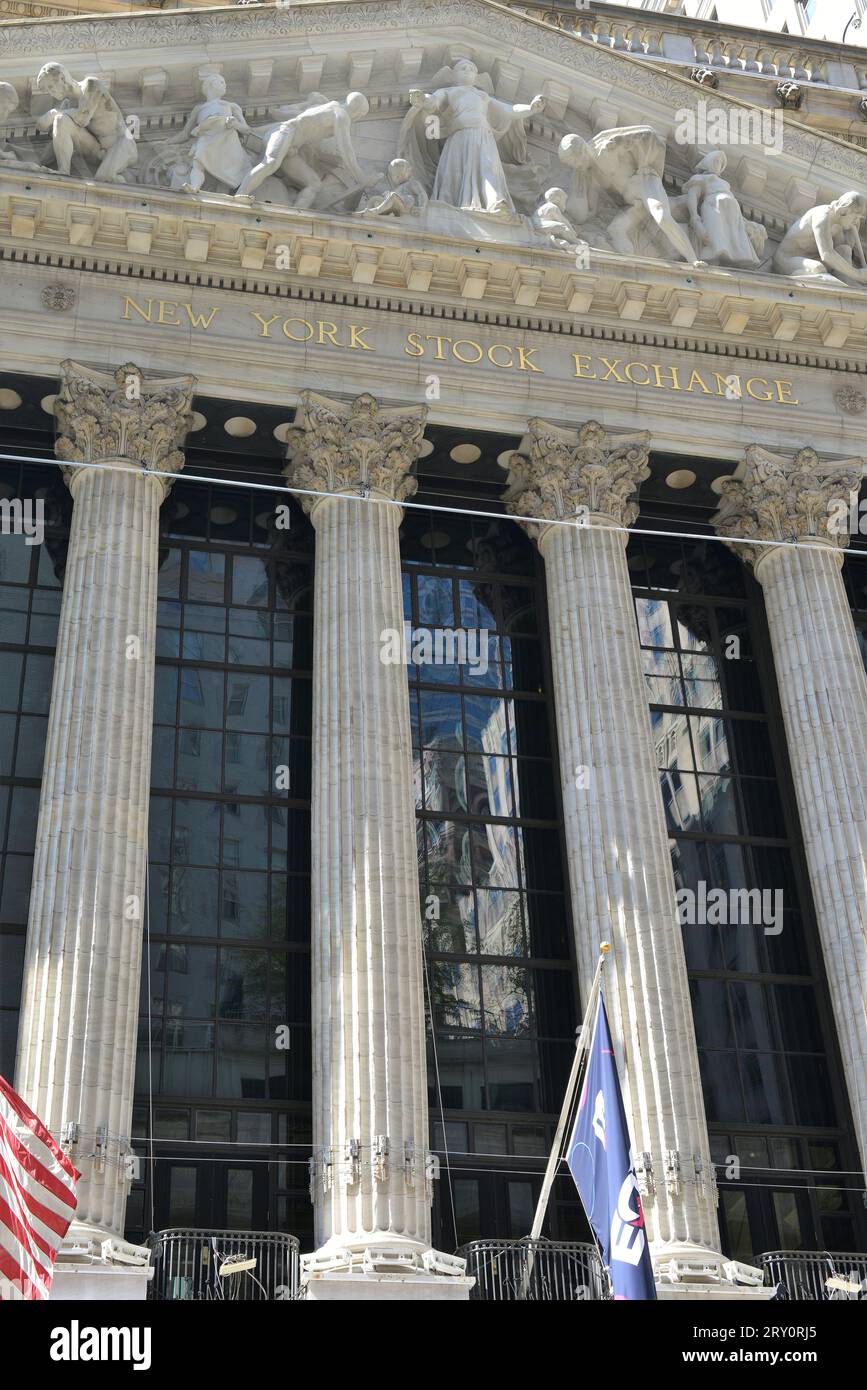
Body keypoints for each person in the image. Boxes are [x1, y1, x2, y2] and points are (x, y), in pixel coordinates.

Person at [401, 58, 545, 216]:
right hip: (459, 136)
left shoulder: (482, 95)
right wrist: (423, 99)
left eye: (472, 69)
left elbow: (509, 110)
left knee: (489, 168)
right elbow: (433, 101)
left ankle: (496, 202)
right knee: (455, 172)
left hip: (483, 136)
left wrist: (531, 108)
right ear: (453, 75)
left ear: (476, 76)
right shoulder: (450, 92)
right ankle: (449, 204)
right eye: (463, 68)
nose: (468, 70)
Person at [235, 92, 370, 206]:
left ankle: (294, 214)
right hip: (284, 133)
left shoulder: (328, 107)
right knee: (271, 163)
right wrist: (361, 178)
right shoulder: (341, 115)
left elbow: (284, 114)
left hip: (291, 149)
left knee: (314, 183)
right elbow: (346, 150)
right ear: (358, 112)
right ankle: (241, 195)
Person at [35, 62, 137, 182]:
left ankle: (123, 178)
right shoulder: (67, 105)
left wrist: (53, 113)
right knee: (61, 120)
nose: (50, 93)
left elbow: (82, 118)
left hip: (121, 143)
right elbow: (55, 138)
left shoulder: (91, 85)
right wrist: (38, 163)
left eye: (50, 87)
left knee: (104, 178)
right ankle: (63, 172)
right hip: (97, 151)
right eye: (47, 90)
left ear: (62, 78)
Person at [168, 73, 254, 194]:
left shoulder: (231, 106)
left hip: (227, 140)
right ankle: (194, 187)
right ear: (209, 85)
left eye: (224, 82)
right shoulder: (199, 108)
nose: (224, 85)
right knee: (198, 162)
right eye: (220, 82)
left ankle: (237, 191)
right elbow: (185, 134)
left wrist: (235, 125)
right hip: (207, 137)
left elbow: (246, 130)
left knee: (233, 168)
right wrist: (167, 142)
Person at [682, 150, 760, 266]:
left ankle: (737, 259)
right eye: (716, 161)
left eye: (720, 163)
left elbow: (735, 206)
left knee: (735, 241)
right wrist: (695, 218)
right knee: (716, 237)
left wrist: (746, 222)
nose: (718, 164)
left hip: (733, 215)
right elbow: (693, 195)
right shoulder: (701, 178)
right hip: (714, 208)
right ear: (708, 162)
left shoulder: (724, 183)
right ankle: (713, 259)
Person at [774, 191, 867, 285]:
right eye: (855, 217)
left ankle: (850, 288)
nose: (856, 221)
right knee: (817, 268)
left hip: (815, 259)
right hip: (788, 259)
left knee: (845, 250)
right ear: (843, 211)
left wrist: (850, 239)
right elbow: (827, 254)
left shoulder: (839, 225)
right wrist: (858, 274)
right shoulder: (821, 216)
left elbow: (843, 254)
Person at [359, 158, 427, 216]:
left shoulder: (412, 183)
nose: (396, 178)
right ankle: (369, 211)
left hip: (404, 205)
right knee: (376, 199)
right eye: (393, 175)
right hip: (393, 207)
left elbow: (421, 194)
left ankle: (374, 211)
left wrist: (422, 207)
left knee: (393, 196)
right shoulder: (397, 188)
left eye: (398, 175)